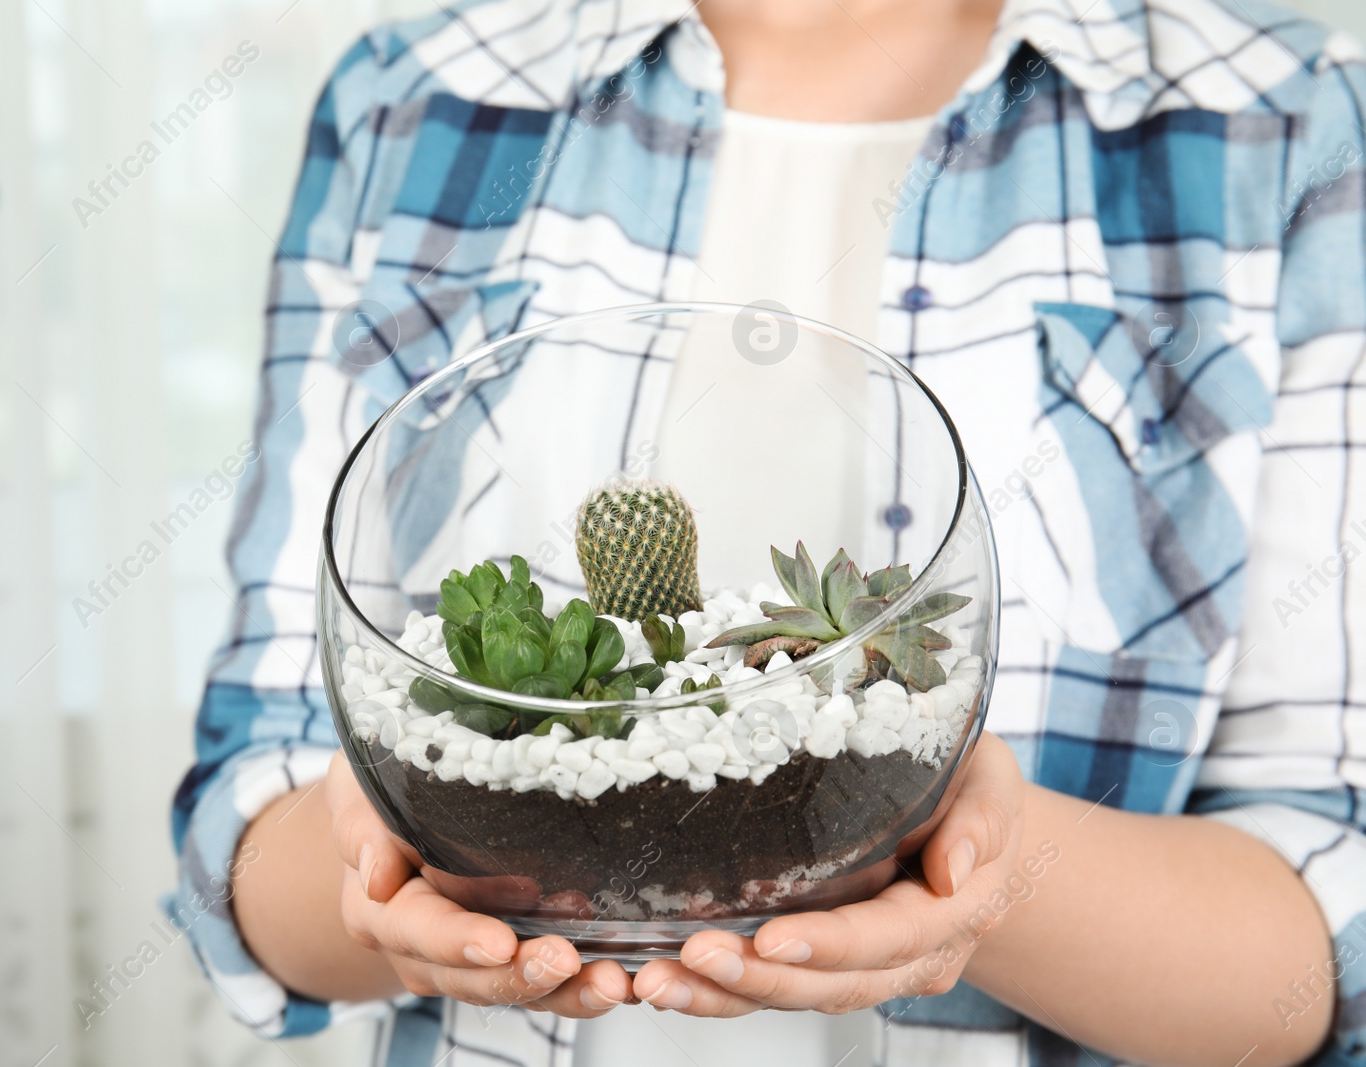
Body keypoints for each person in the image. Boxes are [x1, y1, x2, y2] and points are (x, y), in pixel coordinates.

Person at [168, 0, 1366, 1063]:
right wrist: (385, 880)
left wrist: (982, 876)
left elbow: (1325, 934)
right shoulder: (413, 95)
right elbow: (249, 821)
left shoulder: (1278, 127)